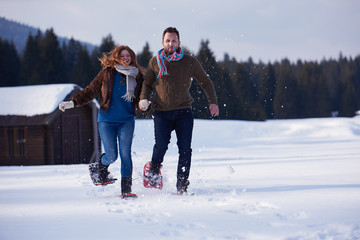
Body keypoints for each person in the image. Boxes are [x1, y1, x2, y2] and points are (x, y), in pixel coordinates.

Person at [59, 45, 147, 199]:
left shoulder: (138, 76)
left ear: (132, 58)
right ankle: (98, 167)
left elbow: (142, 98)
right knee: (112, 156)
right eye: (123, 55)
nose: (126, 58)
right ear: (116, 57)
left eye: (128, 56)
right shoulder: (107, 73)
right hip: (107, 121)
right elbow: (90, 90)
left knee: (125, 154)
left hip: (127, 121)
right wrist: (72, 103)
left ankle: (126, 190)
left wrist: (145, 105)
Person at [139, 27, 219, 194]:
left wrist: (213, 102)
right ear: (162, 43)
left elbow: (205, 81)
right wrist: (144, 98)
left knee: (185, 150)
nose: (171, 43)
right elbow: (147, 83)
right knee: (161, 146)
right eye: (168, 40)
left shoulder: (189, 62)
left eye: (174, 40)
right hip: (162, 113)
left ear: (179, 43)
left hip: (184, 112)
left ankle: (182, 187)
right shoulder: (155, 62)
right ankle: (153, 170)